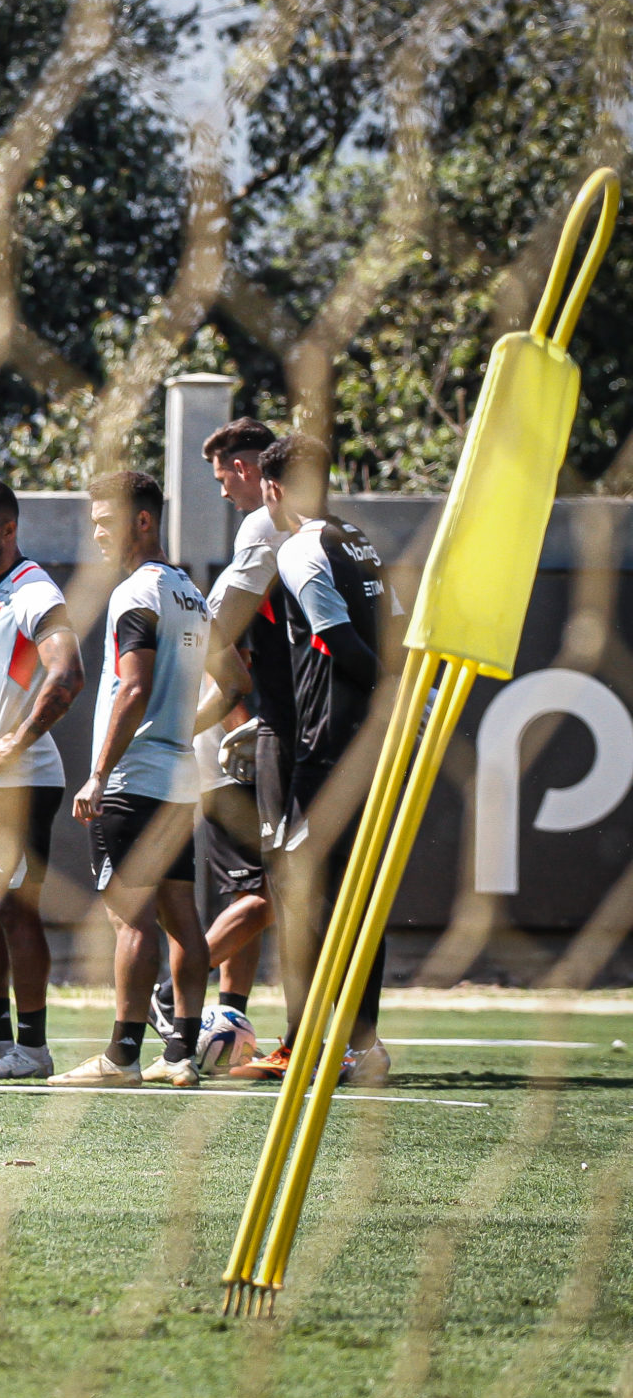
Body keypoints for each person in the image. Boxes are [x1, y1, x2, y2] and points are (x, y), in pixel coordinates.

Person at [53, 471, 217, 1087]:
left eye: (105, 521)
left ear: (142, 521)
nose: (96, 533)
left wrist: (98, 773)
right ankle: (180, 1054)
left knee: (131, 920)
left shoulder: (135, 594)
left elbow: (135, 686)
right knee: (181, 917)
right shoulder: (191, 595)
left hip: (132, 782)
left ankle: (121, 1058)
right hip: (177, 781)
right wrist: (177, 731)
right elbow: (235, 684)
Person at [246, 435, 401, 1085]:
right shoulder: (354, 537)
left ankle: (329, 1042)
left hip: (332, 747)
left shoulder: (304, 548)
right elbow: (397, 623)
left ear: (273, 488)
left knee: (301, 889)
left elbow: (335, 639)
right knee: (354, 896)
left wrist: (389, 686)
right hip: (373, 742)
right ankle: (356, 1044)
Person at [0, 480, 84, 1083]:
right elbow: (1, 684)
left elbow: (68, 673)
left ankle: (32, 1048)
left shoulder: (34, 590)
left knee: (16, 913)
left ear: (8, 529)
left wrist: (17, 740)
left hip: (23, 784)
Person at [190, 419, 283, 1043]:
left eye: (225, 478)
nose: (223, 493)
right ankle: (169, 989)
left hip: (243, 744)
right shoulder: (267, 536)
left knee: (248, 889)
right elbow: (215, 642)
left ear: (249, 471)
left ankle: (230, 1009)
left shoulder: (275, 533)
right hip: (230, 748)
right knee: (270, 891)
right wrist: (236, 726)